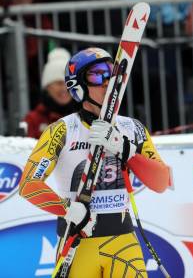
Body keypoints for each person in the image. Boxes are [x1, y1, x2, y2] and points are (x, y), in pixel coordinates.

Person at [19, 47, 170, 278]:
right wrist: (67, 209)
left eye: (112, 74)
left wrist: (126, 150)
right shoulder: (62, 130)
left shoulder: (131, 128)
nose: (107, 81)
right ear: (78, 87)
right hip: (77, 243)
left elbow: (161, 182)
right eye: (97, 75)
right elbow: (28, 185)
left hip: (122, 241)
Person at [22, 48, 81, 139]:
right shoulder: (33, 120)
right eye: (59, 83)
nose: (65, 88)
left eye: (69, 83)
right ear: (47, 87)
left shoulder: (84, 116)